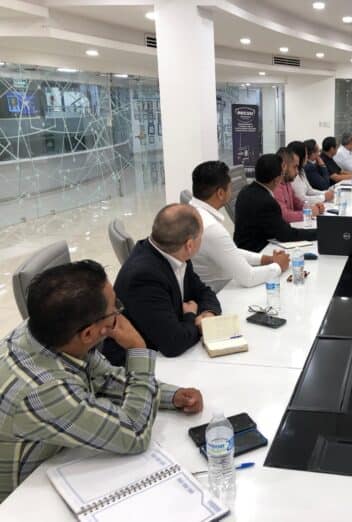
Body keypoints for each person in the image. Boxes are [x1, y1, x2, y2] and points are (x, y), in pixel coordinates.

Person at [0, 260, 203, 501]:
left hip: (58, 463)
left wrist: (172, 396)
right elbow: (134, 433)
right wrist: (138, 349)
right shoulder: (44, 389)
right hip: (24, 501)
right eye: (114, 310)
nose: (119, 312)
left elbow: (104, 379)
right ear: (88, 334)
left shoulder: (43, 330)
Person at [103, 204, 221, 366]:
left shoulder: (175, 253)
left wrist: (208, 313)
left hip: (168, 349)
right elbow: (173, 344)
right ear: (189, 245)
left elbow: (203, 292)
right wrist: (191, 317)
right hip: (138, 364)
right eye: (201, 236)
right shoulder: (144, 277)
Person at [189, 160, 289, 292]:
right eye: (230, 187)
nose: (232, 191)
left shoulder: (191, 210)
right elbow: (248, 278)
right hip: (220, 293)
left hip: (214, 286)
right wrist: (278, 266)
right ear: (220, 193)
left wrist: (266, 259)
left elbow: (229, 251)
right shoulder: (211, 228)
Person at [234, 154, 318, 252]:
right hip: (258, 250)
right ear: (277, 179)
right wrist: (318, 233)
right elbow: (285, 234)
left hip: (243, 248)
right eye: (283, 174)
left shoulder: (245, 191)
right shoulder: (267, 202)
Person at [274, 147, 324, 223]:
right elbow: (285, 216)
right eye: (295, 167)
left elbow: (297, 203)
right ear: (284, 166)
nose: (297, 171)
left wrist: (312, 207)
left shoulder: (287, 183)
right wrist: (309, 213)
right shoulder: (276, 187)